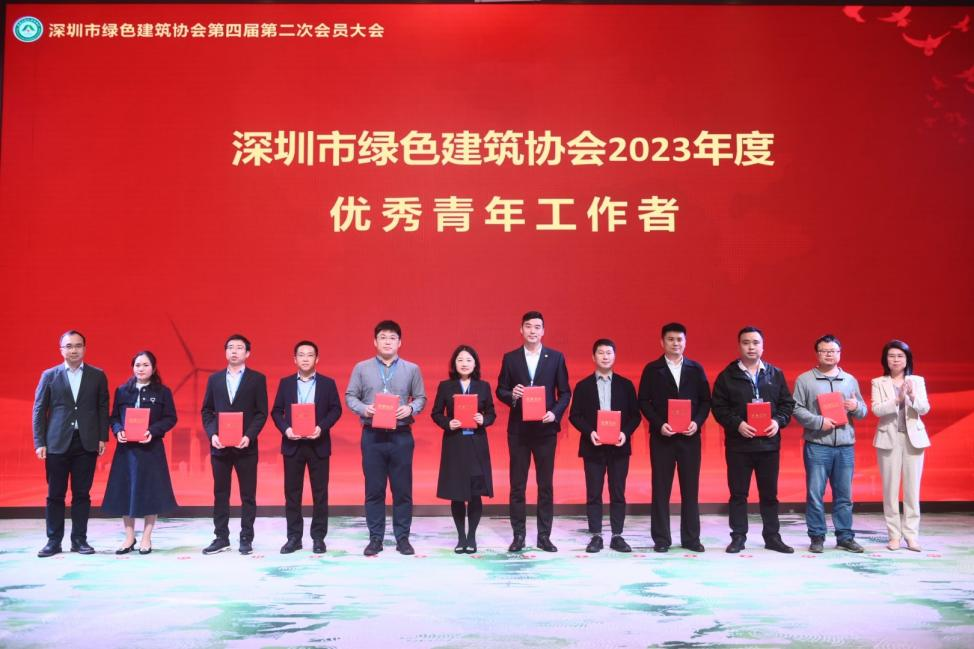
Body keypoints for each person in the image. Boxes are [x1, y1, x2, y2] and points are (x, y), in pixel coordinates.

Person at [711, 326, 796, 554]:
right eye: (746, 342)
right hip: (739, 446)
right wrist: (738, 424)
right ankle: (738, 537)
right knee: (738, 494)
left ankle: (772, 537)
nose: (751, 347)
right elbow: (718, 408)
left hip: (769, 445)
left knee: (769, 495)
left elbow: (787, 404)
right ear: (739, 346)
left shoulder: (775, 374)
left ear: (763, 346)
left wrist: (777, 421)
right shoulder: (727, 376)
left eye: (756, 343)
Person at [346, 320, 427, 556]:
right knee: (374, 490)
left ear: (400, 342)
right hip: (372, 436)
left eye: (392, 338)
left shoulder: (412, 369)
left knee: (402, 491)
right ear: (375, 341)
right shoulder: (361, 368)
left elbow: (421, 398)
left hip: (401, 436)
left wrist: (410, 408)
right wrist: (364, 409)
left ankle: (402, 539)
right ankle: (375, 539)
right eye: (383, 337)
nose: (387, 341)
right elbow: (350, 396)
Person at [496, 310, 571, 553]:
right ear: (521, 329)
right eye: (528, 326)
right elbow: (500, 390)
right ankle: (518, 535)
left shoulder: (556, 357)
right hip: (519, 430)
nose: (532, 331)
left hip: (545, 430)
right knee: (517, 485)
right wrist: (512, 395)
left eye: (537, 327)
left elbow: (565, 392)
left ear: (543, 331)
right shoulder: (511, 358)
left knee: (545, 485)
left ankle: (544, 536)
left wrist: (555, 413)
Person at [32, 330, 109, 558]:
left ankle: (79, 540)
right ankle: (53, 541)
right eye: (68, 346)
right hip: (56, 443)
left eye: (77, 345)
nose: (73, 350)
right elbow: (39, 410)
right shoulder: (49, 375)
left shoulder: (97, 375)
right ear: (61, 350)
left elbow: (102, 407)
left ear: (84, 348)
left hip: (86, 442)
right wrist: (39, 441)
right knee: (55, 494)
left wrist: (102, 437)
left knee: (82, 494)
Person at [637, 322, 712, 553]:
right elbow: (643, 401)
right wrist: (659, 424)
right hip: (663, 438)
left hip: (690, 438)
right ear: (662, 342)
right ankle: (661, 539)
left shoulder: (695, 368)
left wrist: (696, 422)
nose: (675, 343)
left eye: (679, 339)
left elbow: (706, 401)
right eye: (670, 339)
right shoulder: (652, 369)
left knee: (690, 489)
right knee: (661, 489)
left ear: (685, 342)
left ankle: (691, 538)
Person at [792, 334, 867, 553]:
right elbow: (796, 408)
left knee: (844, 495)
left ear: (839, 354)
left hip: (845, 446)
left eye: (833, 351)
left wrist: (855, 407)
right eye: (824, 351)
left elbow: (863, 410)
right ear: (817, 354)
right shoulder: (805, 380)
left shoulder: (850, 380)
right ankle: (817, 536)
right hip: (817, 445)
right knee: (815, 494)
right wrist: (818, 422)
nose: (829, 354)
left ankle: (845, 536)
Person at [102, 350, 179, 554]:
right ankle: (129, 538)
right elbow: (114, 417)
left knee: (150, 493)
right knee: (126, 492)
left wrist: (152, 431)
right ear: (132, 367)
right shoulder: (122, 391)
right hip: (126, 451)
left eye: (145, 365)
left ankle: (146, 537)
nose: (141, 369)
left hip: (151, 450)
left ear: (153, 368)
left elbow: (170, 418)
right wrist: (118, 430)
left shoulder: (162, 392)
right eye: (137, 365)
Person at [569, 339, 641, 553]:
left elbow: (635, 416)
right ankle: (596, 535)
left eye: (609, 353)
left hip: (619, 447)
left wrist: (624, 433)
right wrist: (589, 432)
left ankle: (617, 535)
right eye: (601, 353)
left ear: (614, 356)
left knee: (618, 492)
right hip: (593, 446)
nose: (605, 356)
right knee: (594, 493)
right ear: (594, 357)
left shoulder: (626, 385)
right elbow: (575, 415)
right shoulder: (583, 386)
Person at [271, 340, 342, 555]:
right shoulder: (285, 383)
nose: (305, 358)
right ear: (295, 359)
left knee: (320, 494)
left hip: (318, 444)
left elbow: (336, 409)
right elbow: (276, 411)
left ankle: (318, 538)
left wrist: (321, 427)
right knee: (292, 494)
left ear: (316, 359)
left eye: (310, 355)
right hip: (292, 444)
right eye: (301, 355)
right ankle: (294, 538)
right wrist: (286, 429)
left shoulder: (328, 383)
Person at [200, 334, 268, 555]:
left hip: (245, 447)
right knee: (220, 493)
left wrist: (249, 435)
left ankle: (246, 537)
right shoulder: (215, 379)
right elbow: (207, 411)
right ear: (225, 352)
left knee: (248, 495)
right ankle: (221, 537)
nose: (234, 351)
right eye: (230, 347)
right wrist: (212, 434)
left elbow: (261, 412)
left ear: (247, 353)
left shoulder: (257, 379)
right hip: (220, 447)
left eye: (239, 348)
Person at [431, 345, 496, 554]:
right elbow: (436, 413)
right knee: (457, 493)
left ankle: (472, 536)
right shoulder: (446, 386)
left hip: (476, 444)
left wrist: (483, 419)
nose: (464, 363)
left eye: (468, 360)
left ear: (475, 364)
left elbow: (492, 413)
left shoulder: (483, 386)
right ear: (454, 364)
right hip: (455, 444)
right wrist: (447, 423)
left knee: (475, 493)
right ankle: (460, 537)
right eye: (460, 360)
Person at [871, 340, 931, 551]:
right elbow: (877, 410)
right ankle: (894, 536)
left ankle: (911, 536)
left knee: (912, 490)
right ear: (885, 360)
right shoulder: (878, 382)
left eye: (900, 356)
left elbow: (924, 409)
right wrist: (897, 400)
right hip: (889, 439)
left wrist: (912, 396)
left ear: (907, 359)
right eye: (891, 356)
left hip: (914, 439)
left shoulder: (917, 381)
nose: (896, 360)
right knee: (890, 490)